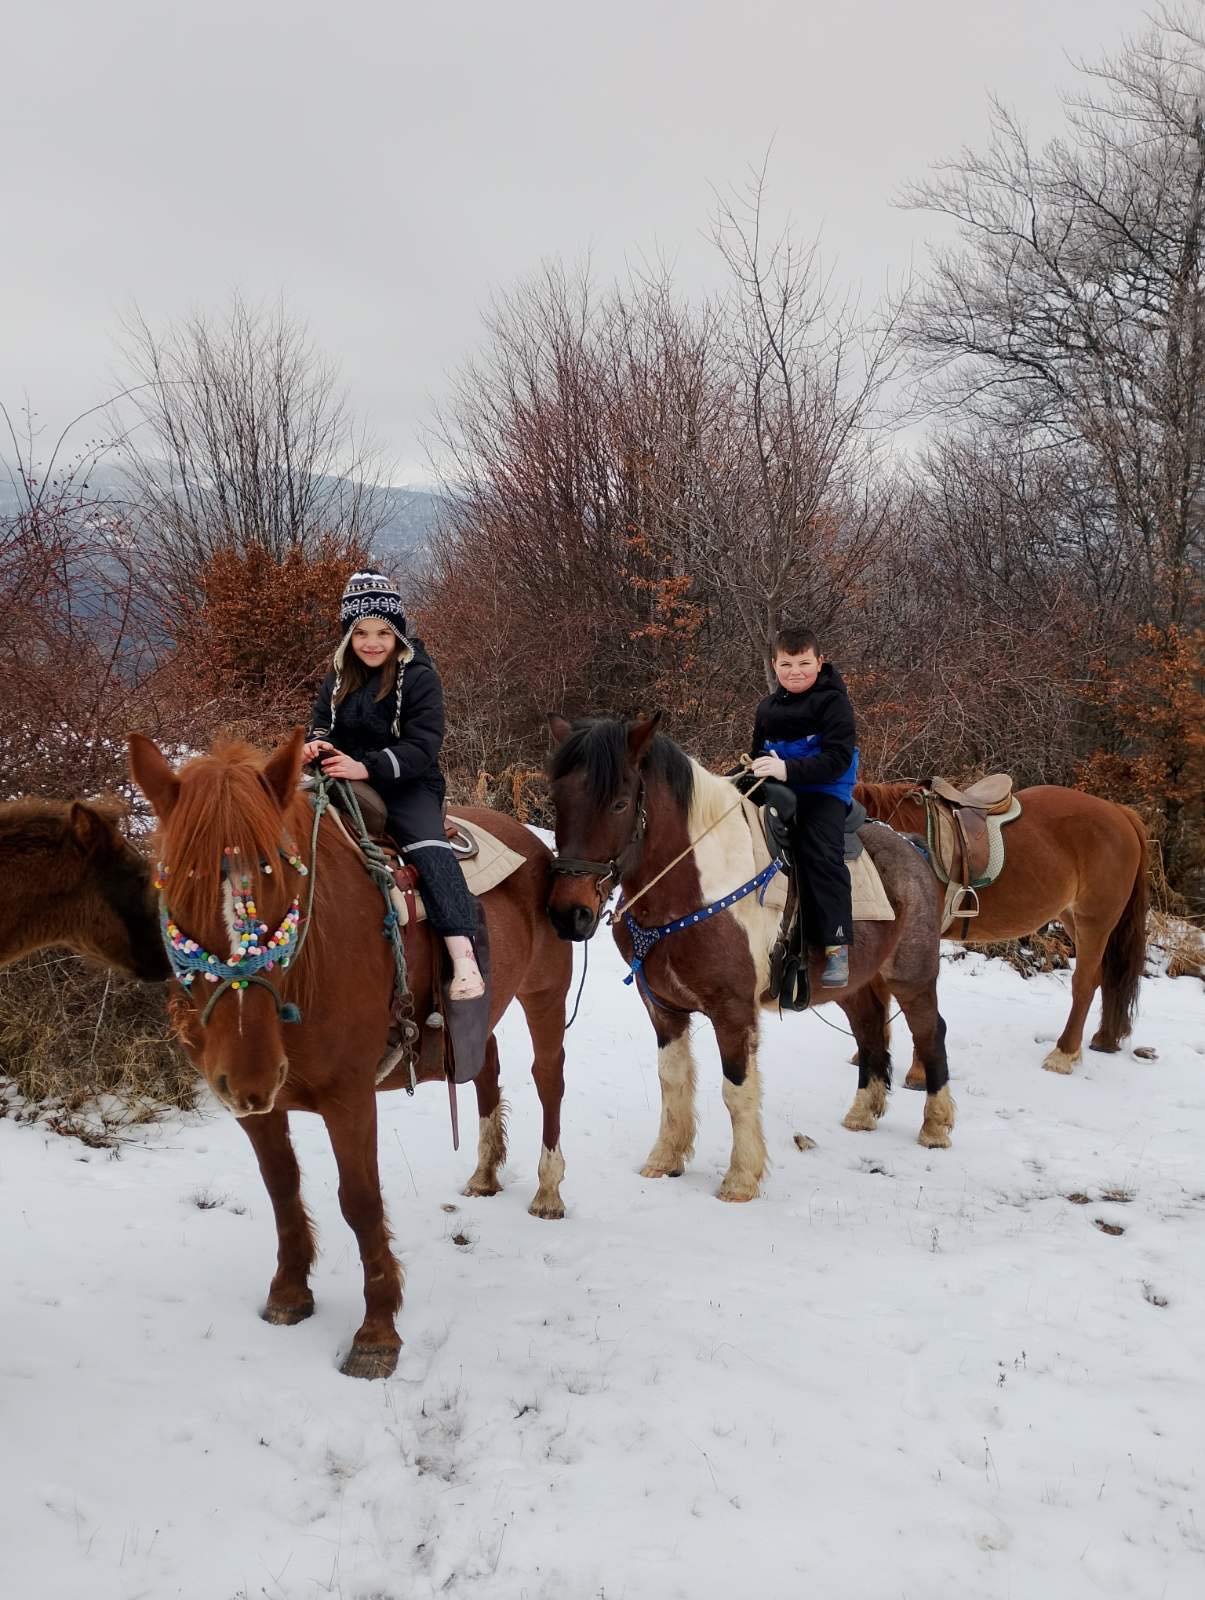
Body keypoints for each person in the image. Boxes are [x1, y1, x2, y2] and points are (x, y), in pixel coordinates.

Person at [303, 570, 485, 1001]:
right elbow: (320, 725)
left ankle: (464, 958)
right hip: (341, 774)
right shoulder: (338, 676)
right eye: (361, 632)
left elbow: (424, 744)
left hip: (408, 782)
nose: (372, 642)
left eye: (383, 632)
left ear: (398, 633)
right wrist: (315, 747)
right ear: (349, 635)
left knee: (427, 847)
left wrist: (367, 767)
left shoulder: (419, 676)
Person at [748, 626, 859, 988]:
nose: (795, 672)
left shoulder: (834, 702)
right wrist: (748, 771)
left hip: (824, 789)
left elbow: (838, 758)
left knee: (820, 851)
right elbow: (758, 751)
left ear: (819, 661)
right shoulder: (767, 707)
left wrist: (787, 768)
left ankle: (835, 943)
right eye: (786, 664)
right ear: (774, 665)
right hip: (779, 785)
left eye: (804, 663)